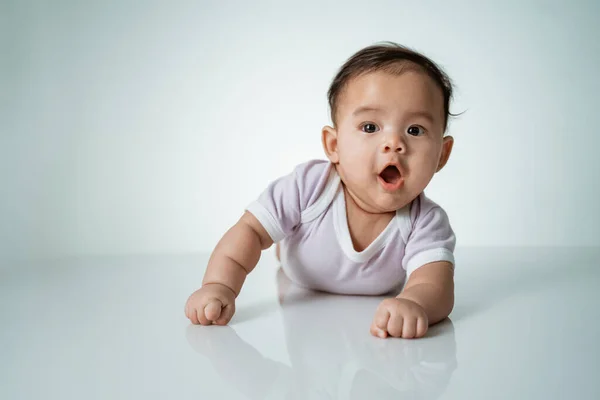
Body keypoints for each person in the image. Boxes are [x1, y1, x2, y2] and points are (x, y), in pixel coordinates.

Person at [185, 41, 458, 339]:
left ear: (441, 155)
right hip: (299, 272)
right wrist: (219, 285)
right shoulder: (310, 186)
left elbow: (435, 285)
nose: (394, 143)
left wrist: (413, 302)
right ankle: (288, 237)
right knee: (275, 234)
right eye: (370, 127)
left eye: (414, 130)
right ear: (334, 145)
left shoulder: (425, 220)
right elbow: (249, 231)